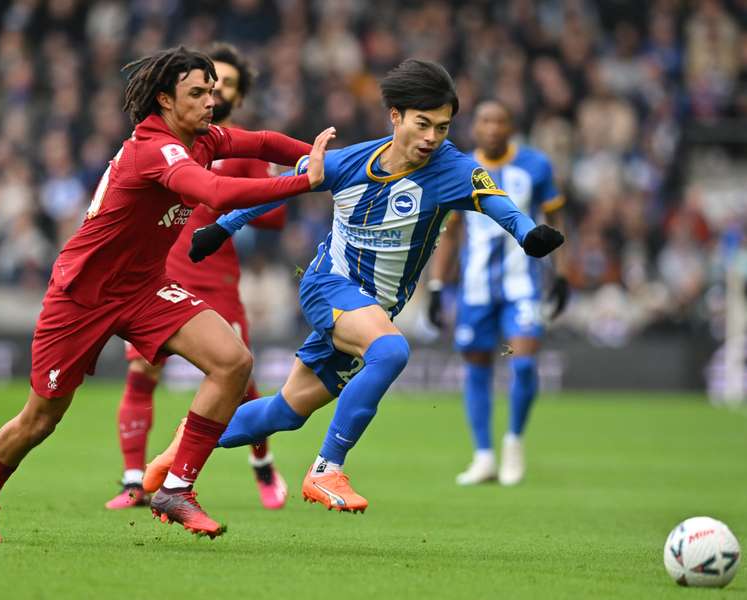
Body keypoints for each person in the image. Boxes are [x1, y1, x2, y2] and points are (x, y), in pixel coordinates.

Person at [144, 60, 564, 513]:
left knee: (284, 412)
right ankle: (326, 470)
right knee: (392, 351)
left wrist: (528, 235)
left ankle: (181, 448)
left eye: (442, 128)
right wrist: (223, 229)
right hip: (329, 285)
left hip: (373, 308)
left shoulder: (454, 171)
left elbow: (499, 203)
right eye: (422, 124)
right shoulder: (348, 161)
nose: (431, 138)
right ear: (396, 116)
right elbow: (285, 186)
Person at [0, 46, 336, 543]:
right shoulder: (155, 148)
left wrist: (324, 155)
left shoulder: (201, 136)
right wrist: (301, 181)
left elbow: (261, 141)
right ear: (164, 99)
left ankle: (177, 488)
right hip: (83, 296)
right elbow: (217, 195)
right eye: (197, 93)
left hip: (143, 288)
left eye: (213, 91)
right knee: (40, 419)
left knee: (232, 361)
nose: (210, 101)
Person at [107, 43, 289, 512]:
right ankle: (134, 481)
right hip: (164, 270)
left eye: (226, 84)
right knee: (141, 370)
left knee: (238, 372)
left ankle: (262, 463)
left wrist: (232, 204)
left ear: (235, 95)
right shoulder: (166, 143)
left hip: (216, 275)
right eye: (211, 83)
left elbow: (274, 215)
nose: (217, 91)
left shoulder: (231, 145)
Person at [427, 100, 570, 487]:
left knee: (523, 363)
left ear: (510, 128)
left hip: (523, 284)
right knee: (476, 368)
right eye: (485, 121)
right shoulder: (458, 168)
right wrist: (438, 286)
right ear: (475, 127)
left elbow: (554, 220)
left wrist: (561, 272)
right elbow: (451, 231)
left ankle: (513, 444)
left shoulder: (535, 166)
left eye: (499, 122)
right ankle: (483, 455)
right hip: (474, 288)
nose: (492, 128)